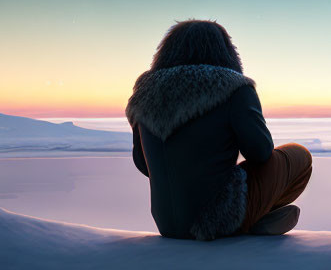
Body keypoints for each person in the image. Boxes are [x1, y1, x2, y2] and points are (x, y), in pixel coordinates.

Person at [126, 19, 312, 240]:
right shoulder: (234, 87)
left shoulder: (145, 93)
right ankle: (251, 221)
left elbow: (142, 163)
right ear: (228, 52)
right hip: (218, 219)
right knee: (300, 156)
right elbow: (260, 151)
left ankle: (255, 219)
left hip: (166, 224)